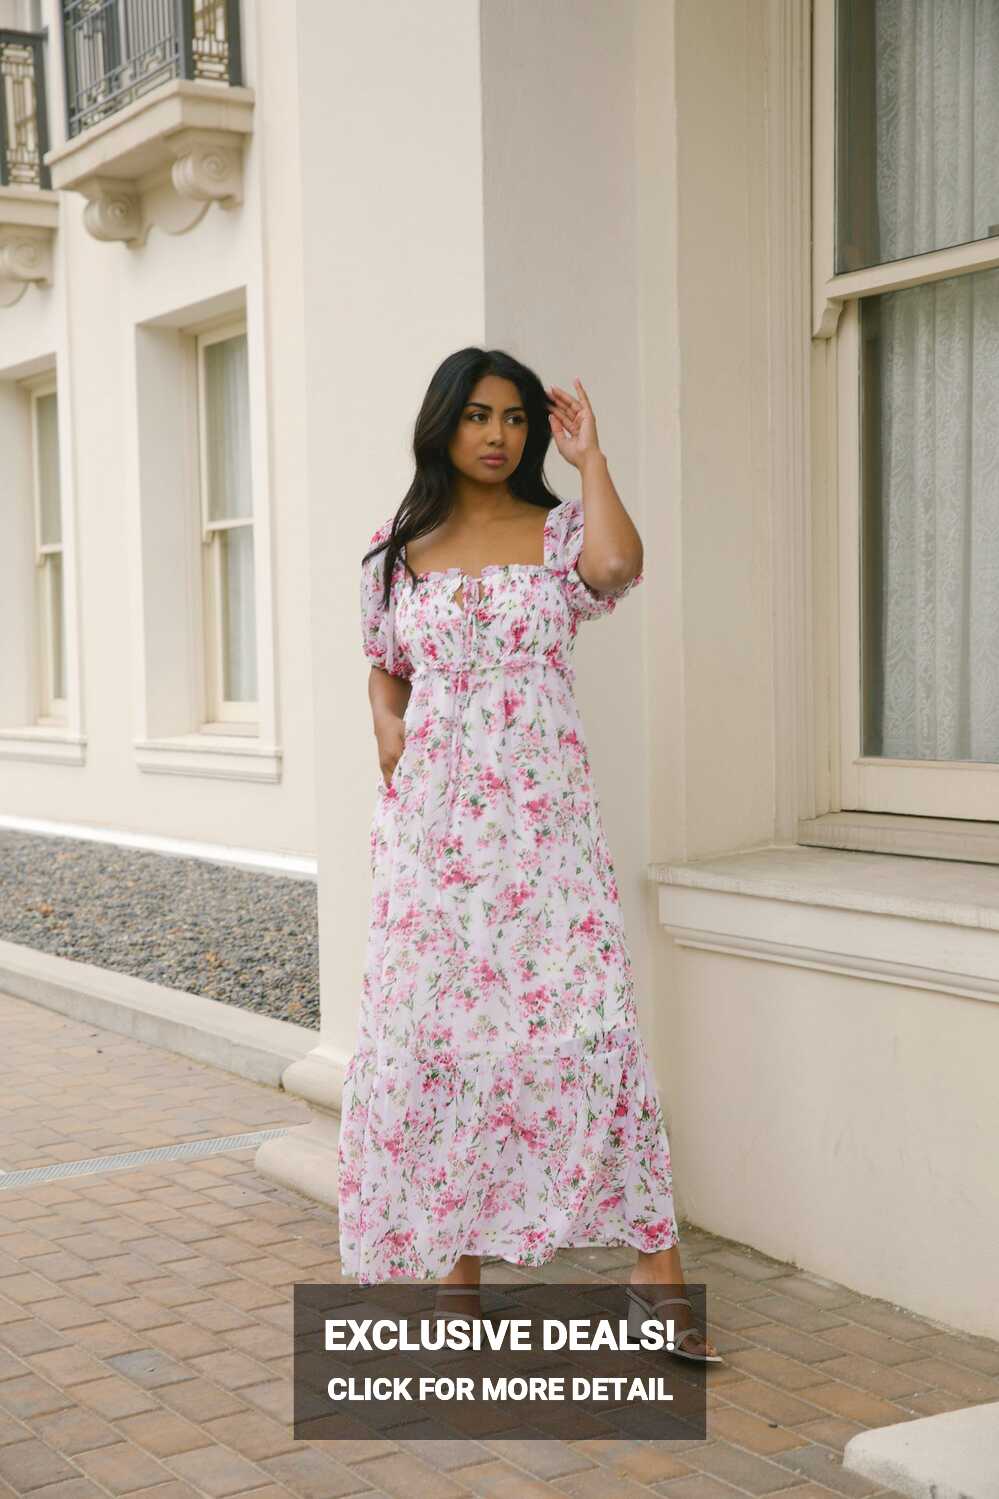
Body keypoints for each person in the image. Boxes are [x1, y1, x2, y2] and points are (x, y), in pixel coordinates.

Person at [337, 347, 720, 1364]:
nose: (499, 435)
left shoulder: (558, 534)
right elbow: (382, 661)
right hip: (431, 833)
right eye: (477, 416)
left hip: (543, 828)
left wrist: (593, 461)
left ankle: (654, 1268)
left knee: (587, 1017)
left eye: (515, 417)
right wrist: (386, 721)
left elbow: (619, 568)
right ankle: (455, 1272)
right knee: (442, 1029)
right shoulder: (396, 547)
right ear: (443, 426)